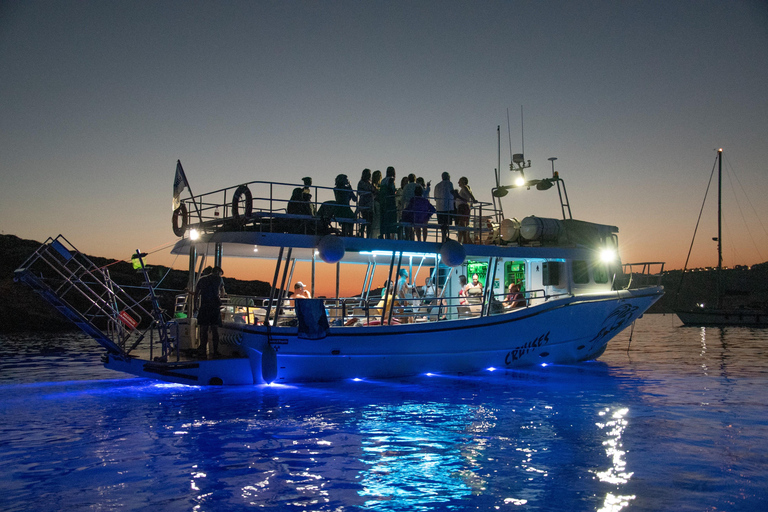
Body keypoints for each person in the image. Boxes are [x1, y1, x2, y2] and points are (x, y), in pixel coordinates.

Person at [195, 266, 226, 358]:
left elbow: (196, 293)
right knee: (215, 330)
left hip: (204, 307)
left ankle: (203, 351)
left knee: (203, 330)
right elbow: (222, 293)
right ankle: (215, 351)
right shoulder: (219, 279)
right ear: (218, 272)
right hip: (214, 308)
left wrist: (195, 306)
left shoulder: (202, 280)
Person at [434, 172, 457, 242]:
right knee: (447, 224)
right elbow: (452, 193)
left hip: (439, 207)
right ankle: (446, 238)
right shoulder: (449, 183)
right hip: (448, 207)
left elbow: (435, 198)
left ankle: (443, 237)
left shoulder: (437, 185)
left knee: (442, 224)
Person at [455, 176, 476, 244]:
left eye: (460, 181)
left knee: (462, 224)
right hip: (464, 207)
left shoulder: (465, 187)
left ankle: (464, 240)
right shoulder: (466, 188)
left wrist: (473, 200)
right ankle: (464, 239)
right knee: (464, 224)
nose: (458, 182)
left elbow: (469, 195)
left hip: (462, 207)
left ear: (463, 181)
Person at [379, 167, 398, 239]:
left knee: (384, 219)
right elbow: (391, 190)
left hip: (383, 202)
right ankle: (389, 235)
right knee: (391, 220)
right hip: (390, 202)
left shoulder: (383, 180)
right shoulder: (391, 180)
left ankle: (383, 234)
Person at [356, 168, 374, 238]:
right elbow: (360, 192)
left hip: (370, 205)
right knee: (365, 219)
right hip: (364, 204)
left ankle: (368, 236)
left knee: (370, 222)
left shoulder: (369, 183)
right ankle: (361, 234)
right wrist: (369, 192)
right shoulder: (361, 183)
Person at [371, 170, 382, 239]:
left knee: (378, 220)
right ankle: (374, 236)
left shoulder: (379, 186)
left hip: (378, 203)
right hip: (375, 203)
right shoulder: (373, 186)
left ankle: (376, 235)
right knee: (376, 220)